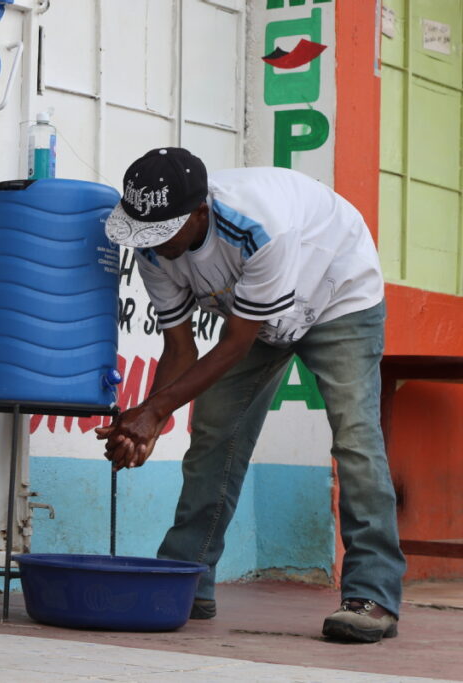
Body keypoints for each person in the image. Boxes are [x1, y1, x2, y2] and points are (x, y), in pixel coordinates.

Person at [95, 147, 406, 643]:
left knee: (355, 438)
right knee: (214, 435)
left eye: (161, 232)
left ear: (200, 213)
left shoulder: (258, 225)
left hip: (336, 295)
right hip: (253, 317)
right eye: (142, 232)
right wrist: (148, 423)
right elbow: (179, 345)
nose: (149, 244)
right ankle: (186, 581)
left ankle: (372, 595)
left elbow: (236, 344)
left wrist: (151, 410)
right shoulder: (155, 246)